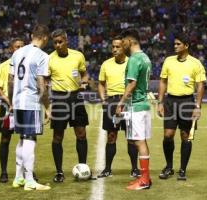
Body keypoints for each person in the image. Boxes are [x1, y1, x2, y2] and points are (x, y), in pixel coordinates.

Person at [157, 32, 206, 181]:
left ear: (186, 46)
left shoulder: (196, 63)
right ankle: (169, 166)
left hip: (187, 102)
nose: (175, 46)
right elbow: (163, 81)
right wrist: (160, 102)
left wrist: (197, 106)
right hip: (171, 101)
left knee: (186, 136)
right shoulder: (168, 61)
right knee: (168, 135)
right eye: (175, 44)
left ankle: (182, 170)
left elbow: (200, 86)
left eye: (178, 44)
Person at [8, 24, 51, 191]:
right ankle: (30, 180)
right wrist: (47, 107)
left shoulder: (17, 53)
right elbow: (42, 85)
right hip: (31, 102)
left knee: (21, 138)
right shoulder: (42, 55)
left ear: (32, 35)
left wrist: (12, 102)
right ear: (45, 37)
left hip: (18, 101)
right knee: (30, 139)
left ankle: (18, 177)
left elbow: (10, 81)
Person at [48, 29, 89, 183]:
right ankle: (59, 172)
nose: (58, 45)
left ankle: (83, 168)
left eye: (60, 42)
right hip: (59, 99)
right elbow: (45, 79)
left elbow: (84, 74)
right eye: (55, 43)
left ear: (66, 41)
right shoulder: (49, 59)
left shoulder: (78, 56)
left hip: (76, 97)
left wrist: (84, 82)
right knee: (58, 136)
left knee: (81, 134)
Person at [97, 35, 140, 178]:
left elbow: (134, 83)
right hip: (111, 102)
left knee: (131, 137)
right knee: (111, 136)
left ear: (124, 48)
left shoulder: (131, 63)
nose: (114, 49)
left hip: (128, 102)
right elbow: (101, 83)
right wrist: (104, 100)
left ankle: (134, 169)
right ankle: (107, 168)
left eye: (118, 47)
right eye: (113, 47)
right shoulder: (106, 64)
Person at [115, 28, 152, 190]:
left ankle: (143, 180)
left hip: (135, 105)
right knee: (138, 140)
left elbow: (132, 83)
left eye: (123, 42)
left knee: (139, 141)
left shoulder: (134, 59)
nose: (122, 45)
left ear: (130, 41)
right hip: (143, 104)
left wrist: (120, 103)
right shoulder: (145, 57)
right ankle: (146, 178)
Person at [0, 38, 24, 183]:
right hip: (7, 106)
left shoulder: (28, 65)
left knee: (26, 139)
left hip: (24, 105)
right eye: (17, 47)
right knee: (5, 138)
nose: (19, 49)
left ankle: (28, 171)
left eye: (22, 47)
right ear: (11, 49)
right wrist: (8, 100)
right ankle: (4, 172)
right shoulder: (3, 66)